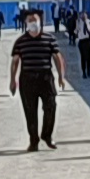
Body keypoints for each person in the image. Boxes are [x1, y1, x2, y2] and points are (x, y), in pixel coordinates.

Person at [11, 9, 69, 151]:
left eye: (35, 20)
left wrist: (61, 76)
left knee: (51, 106)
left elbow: (57, 57)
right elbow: (15, 61)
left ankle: (46, 135)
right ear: (25, 23)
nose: (33, 22)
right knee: (30, 111)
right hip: (27, 79)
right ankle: (33, 141)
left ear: (40, 21)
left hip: (45, 78)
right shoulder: (20, 41)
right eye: (30, 20)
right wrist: (13, 80)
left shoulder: (49, 39)